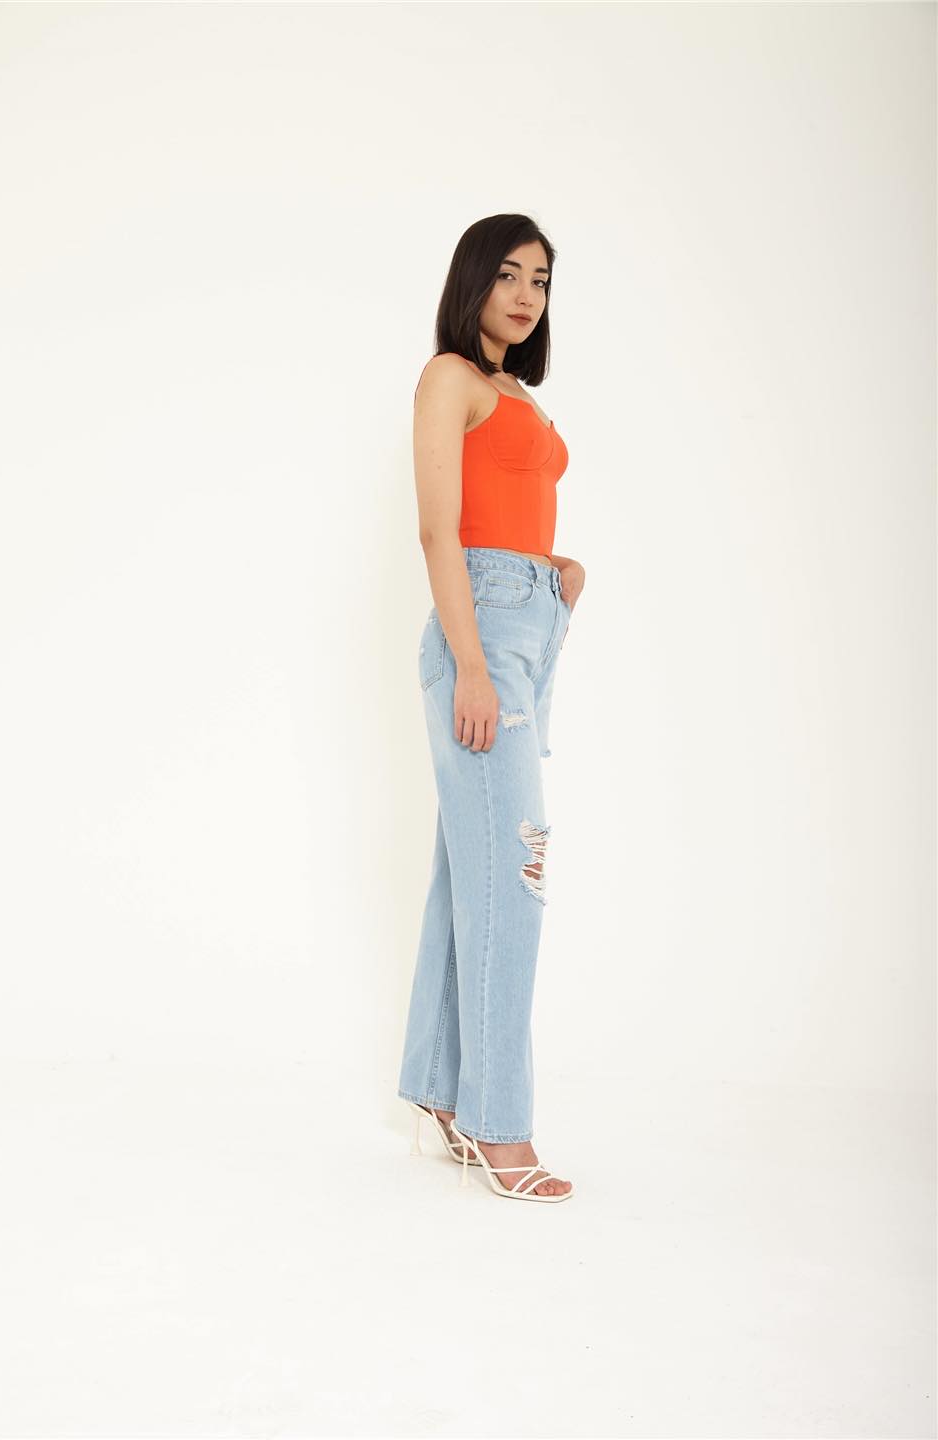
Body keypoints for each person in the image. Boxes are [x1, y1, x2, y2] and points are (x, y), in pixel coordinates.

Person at [396, 214, 584, 1203]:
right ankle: (499, 1125)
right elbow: (440, 530)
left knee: (469, 871)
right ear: (473, 279)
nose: (524, 295)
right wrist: (472, 663)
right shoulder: (450, 378)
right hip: (482, 637)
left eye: (540, 280)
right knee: (517, 870)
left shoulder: (520, 396)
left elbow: (514, 509)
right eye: (508, 274)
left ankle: (441, 1090)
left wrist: (558, 576)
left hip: (529, 628)